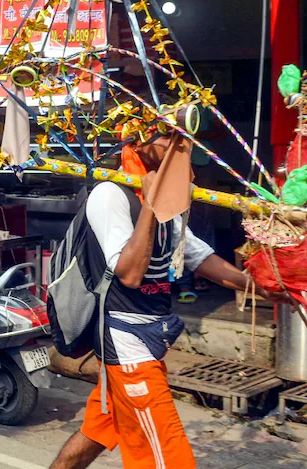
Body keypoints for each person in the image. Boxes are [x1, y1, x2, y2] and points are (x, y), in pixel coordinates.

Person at [49, 134, 286, 469]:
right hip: (126, 343)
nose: (180, 148)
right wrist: (150, 204)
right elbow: (129, 273)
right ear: (140, 141)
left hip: (151, 337)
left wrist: (261, 286)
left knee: (98, 431)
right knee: (169, 458)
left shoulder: (165, 203)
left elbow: (199, 258)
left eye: (183, 141)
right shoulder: (109, 195)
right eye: (169, 138)